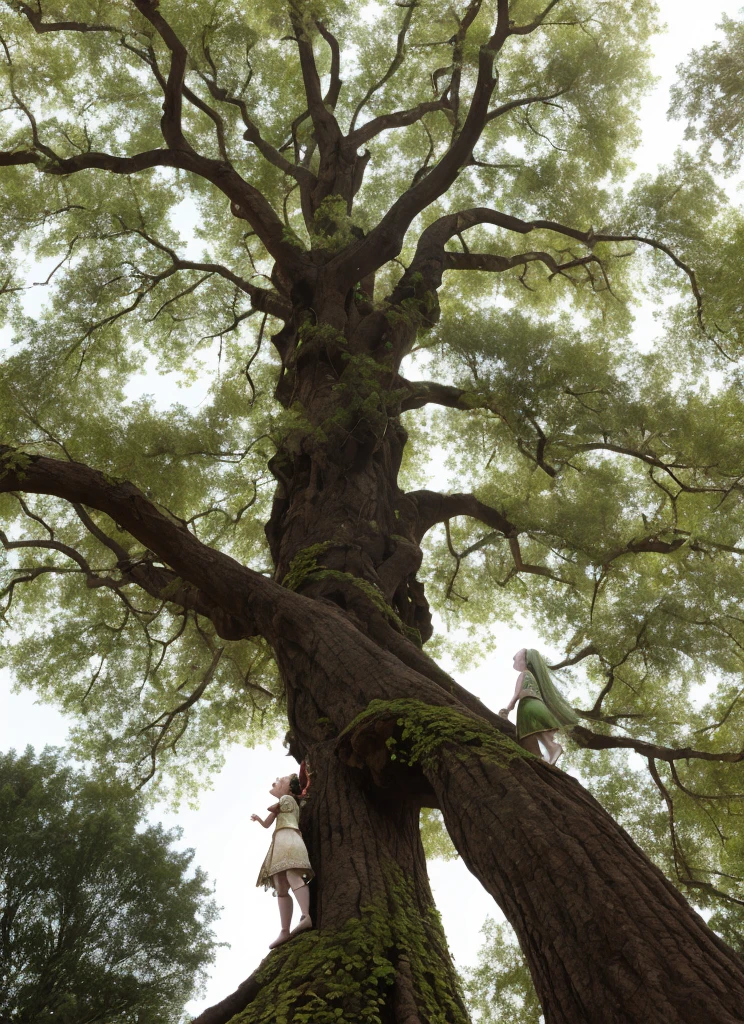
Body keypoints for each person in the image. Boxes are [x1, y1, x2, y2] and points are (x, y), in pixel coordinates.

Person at [252, 773, 314, 948]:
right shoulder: (282, 803)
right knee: (280, 884)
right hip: (279, 842)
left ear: (290, 788)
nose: (275, 782)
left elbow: (275, 808)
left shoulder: (288, 800)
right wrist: (258, 820)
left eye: (280, 780)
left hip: (290, 839)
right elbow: (267, 823)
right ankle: (284, 930)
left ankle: (305, 916)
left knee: (292, 873)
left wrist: (274, 808)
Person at [500, 648, 579, 765]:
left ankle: (551, 748)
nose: (515, 663)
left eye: (517, 660)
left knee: (532, 729)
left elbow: (517, 694)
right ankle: (538, 756)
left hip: (529, 705)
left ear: (525, 661)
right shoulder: (532, 676)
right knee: (530, 732)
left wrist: (507, 708)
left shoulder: (524, 674)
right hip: (536, 704)